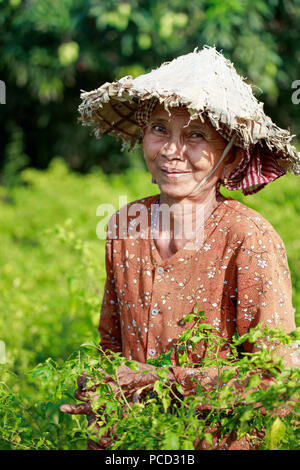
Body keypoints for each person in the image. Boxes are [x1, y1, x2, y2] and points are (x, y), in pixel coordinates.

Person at [60, 46, 300, 450]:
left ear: (231, 157)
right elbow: (112, 346)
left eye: (195, 135)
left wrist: (161, 379)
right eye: (159, 129)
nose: (171, 151)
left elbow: (280, 383)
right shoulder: (125, 226)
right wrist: (100, 387)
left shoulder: (248, 239)